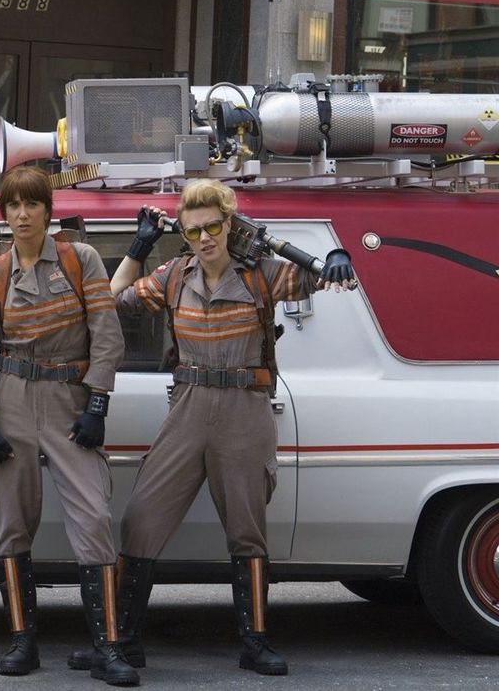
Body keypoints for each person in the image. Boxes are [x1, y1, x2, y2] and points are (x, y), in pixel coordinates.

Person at [95, 178, 357, 677]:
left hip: (244, 408)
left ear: (229, 224)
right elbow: (109, 301)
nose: (204, 238)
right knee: (143, 518)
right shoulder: (174, 276)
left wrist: (340, 254)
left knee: (246, 527)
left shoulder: (262, 275)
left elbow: (325, 278)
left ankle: (255, 642)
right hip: (188, 405)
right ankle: (122, 639)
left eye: (213, 227)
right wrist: (139, 248)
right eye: (193, 230)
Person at [0, 166, 138, 687]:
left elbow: (107, 334)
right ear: (4, 213)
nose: (22, 215)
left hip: (69, 399)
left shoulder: (79, 259)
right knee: (12, 521)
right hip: (12, 398)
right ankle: (23, 641)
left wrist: (98, 403)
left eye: (32, 204)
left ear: (47, 210)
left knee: (94, 517)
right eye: (13, 206)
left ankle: (108, 647)